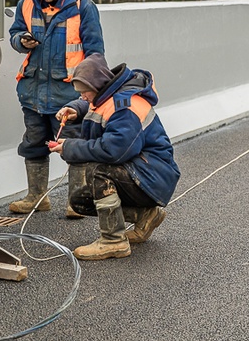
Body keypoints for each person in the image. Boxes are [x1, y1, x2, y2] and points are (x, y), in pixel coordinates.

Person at [49, 54, 180, 260]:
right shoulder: (109, 93)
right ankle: (146, 216)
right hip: (145, 172)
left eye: (84, 93)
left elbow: (114, 151)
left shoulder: (124, 107)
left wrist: (70, 147)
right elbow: (97, 105)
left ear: (98, 86)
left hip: (154, 177)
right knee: (80, 201)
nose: (83, 97)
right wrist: (76, 108)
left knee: (99, 170)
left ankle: (113, 241)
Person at [8, 0, 106, 218]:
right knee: (34, 143)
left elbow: (95, 52)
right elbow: (15, 32)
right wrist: (21, 41)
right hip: (33, 90)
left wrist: (90, 92)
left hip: (68, 94)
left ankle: (78, 202)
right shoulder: (27, 4)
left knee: (73, 145)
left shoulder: (83, 7)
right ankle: (37, 198)